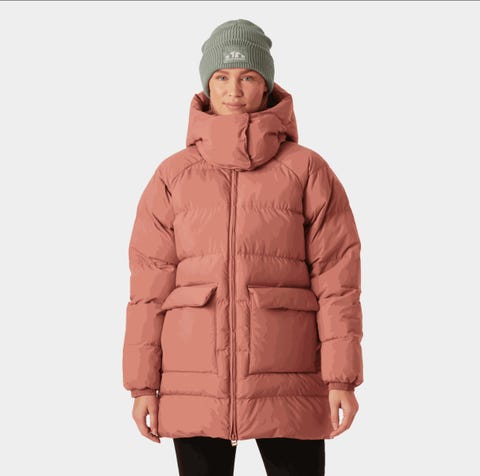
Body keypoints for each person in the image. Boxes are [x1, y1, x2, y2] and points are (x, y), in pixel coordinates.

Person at [122, 19, 364, 476]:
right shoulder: (172, 176)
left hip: (291, 375)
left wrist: (342, 379)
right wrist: (142, 386)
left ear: (266, 85)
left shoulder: (307, 171)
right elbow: (148, 291)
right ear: (207, 84)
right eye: (222, 77)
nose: (234, 90)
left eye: (248, 76)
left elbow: (338, 283)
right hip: (193, 380)